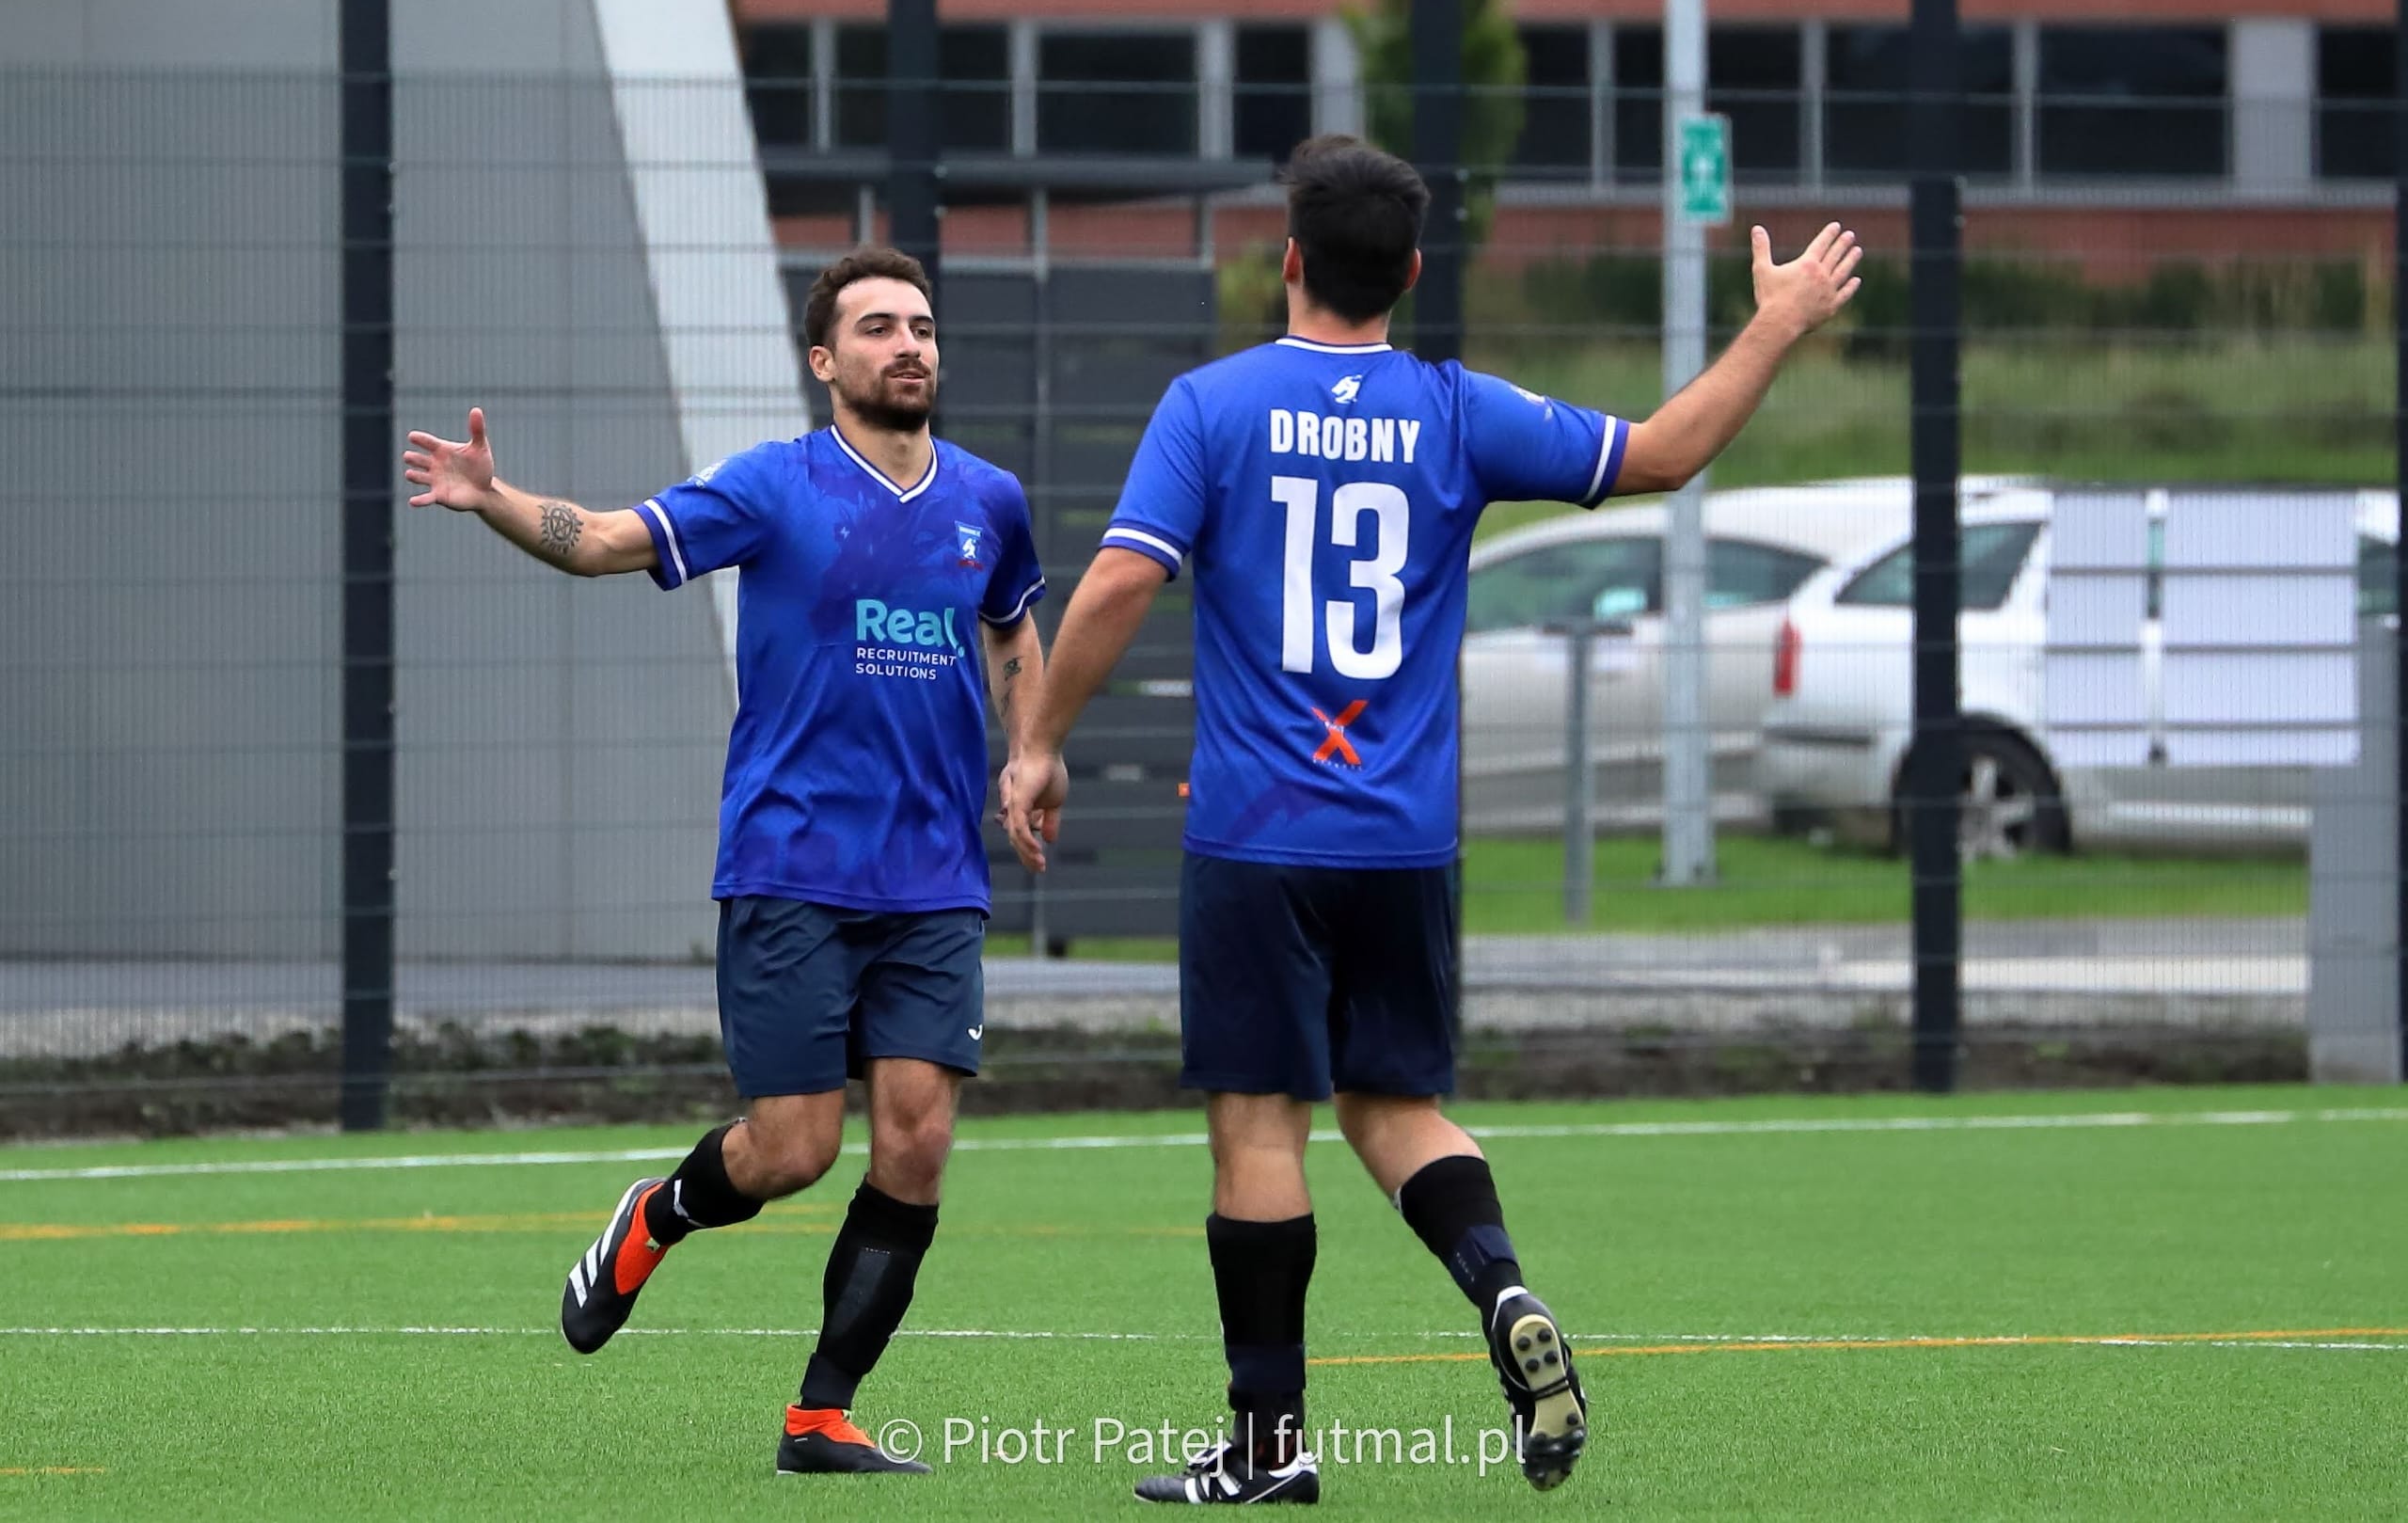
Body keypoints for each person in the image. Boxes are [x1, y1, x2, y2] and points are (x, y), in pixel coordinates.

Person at [999, 135, 1861, 1505]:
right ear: (1408, 271)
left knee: (1258, 1128)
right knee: (1397, 1104)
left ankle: (1270, 1445)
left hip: (1256, 838)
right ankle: (1503, 1291)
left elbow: (1114, 586)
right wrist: (1775, 323)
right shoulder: (1458, 412)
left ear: (1288, 259)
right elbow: (1667, 456)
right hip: (1402, 841)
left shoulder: (1212, 407)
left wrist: (1040, 741)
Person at [404, 246, 1057, 1479]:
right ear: (826, 363)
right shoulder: (772, 487)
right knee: (794, 1150)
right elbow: (604, 540)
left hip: (933, 883)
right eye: (878, 329)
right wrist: (495, 498)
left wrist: (1033, 752)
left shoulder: (990, 500)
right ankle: (656, 1216)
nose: (909, 344)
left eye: (921, 327)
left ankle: (822, 1413)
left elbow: (1017, 624)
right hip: (792, 868)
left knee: (915, 1143)